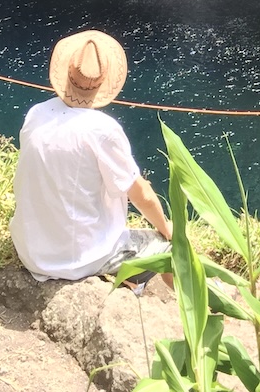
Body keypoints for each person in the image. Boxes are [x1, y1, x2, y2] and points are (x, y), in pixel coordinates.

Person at [9, 29, 173, 288]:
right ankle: (180, 306)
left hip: (32, 250)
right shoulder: (103, 130)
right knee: (170, 249)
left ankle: (130, 284)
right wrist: (166, 228)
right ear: (103, 81)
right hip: (78, 257)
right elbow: (141, 195)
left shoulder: (36, 113)